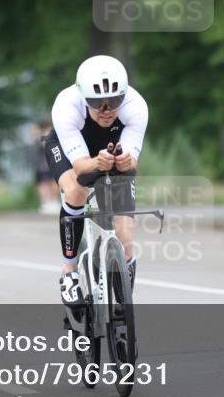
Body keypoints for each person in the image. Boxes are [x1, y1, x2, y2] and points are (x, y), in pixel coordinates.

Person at [43, 55, 148, 305]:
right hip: (70, 151)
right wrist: (97, 163)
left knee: (124, 232)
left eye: (114, 101)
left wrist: (125, 162)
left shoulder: (136, 106)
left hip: (109, 149)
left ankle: (124, 284)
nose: (106, 110)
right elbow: (81, 168)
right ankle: (69, 272)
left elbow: (132, 161)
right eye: (96, 103)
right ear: (83, 97)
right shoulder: (66, 106)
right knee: (76, 191)